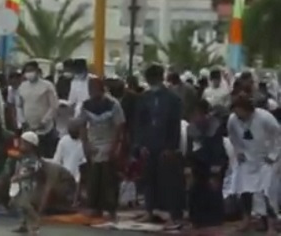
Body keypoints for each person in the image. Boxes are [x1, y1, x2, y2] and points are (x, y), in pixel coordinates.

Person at [134, 64, 184, 227]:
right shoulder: (144, 98)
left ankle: (172, 214)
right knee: (148, 178)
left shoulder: (173, 99)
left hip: (165, 145)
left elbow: (175, 125)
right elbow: (140, 124)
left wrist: (171, 147)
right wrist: (141, 145)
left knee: (168, 181)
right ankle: (149, 211)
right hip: (149, 144)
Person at [227, 94, 281, 233]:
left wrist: (273, 155)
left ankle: (271, 224)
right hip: (247, 158)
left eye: (240, 111)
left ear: (248, 109)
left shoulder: (265, 117)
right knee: (244, 189)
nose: (238, 115)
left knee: (267, 192)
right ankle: (247, 219)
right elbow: (232, 136)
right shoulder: (233, 120)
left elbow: (278, 136)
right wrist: (238, 151)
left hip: (267, 159)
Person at [79, 77, 124, 219]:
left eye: (94, 88)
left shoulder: (113, 104)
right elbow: (82, 125)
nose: (91, 91)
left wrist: (114, 146)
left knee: (108, 178)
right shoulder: (86, 105)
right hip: (94, 143)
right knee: (94, 178)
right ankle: (94, 207)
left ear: (101, 88)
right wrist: (86, 144)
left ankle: (110, 209)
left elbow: (119, 126)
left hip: (109, 142)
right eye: (90, 88)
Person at [186, 99, 228, 229]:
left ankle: (214, 220)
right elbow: (189, 150)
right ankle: (196, 219)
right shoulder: (191, 128)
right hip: (197, 164)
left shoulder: (215, 127)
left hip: (215, 163)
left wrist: (215, 174)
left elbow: (218, 152)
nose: (194, 118)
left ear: (204, 114)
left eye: (196, 114)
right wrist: (188, 168)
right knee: (194, 190)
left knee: (212, 190)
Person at [15, 61, 59, 157]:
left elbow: (54, 106)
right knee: (29, 154)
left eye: (31, 70)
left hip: (45, 129)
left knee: (45, 155)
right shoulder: (22, 86)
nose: (29, 73)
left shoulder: (47, 86)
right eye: (27, 71)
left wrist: (44, 121)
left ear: (37, 71)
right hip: (28, 128)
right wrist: (22, 121)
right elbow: (19, 106)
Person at [9, 131, 44, 235]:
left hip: (29, 185)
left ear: (31, 145)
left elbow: (32, 172)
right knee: (19, 205)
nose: (21, 145)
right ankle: (23, 224)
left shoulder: (33, 159)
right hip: (20, 184)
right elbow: (19, 168)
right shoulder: (22, 157)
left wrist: (19, 177)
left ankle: (36, 221)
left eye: (23, 143)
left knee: (25, 205)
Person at [53, 120, 86, 189]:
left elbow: (56, 160)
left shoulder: (63, 140)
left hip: (68, 176)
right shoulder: (83, 144)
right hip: (74, 178)